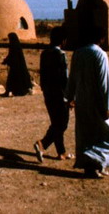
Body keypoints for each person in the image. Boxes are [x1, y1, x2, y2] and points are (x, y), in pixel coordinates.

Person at [66, 26, 109, 179]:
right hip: (98, 102)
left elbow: (72, 77)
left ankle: (94, 167)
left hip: (82, 101)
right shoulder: (100, 55)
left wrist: (70, 96)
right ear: (101, 39)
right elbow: (104, 83)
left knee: (89, 135)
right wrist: (106, 106)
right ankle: (91, 158)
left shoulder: (78, 53)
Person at [33, 27, 73, 163]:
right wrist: (69, 97)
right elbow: (64, 79)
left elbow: (43, 76)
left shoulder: (44, 54)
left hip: (49, 94)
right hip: (60, 96)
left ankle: (61, 152)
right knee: (62, 124)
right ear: (63, 40)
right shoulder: (60, 55)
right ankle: (42, 144)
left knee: (56, 123)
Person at [1, 32, 33, 96]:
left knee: (12, 80)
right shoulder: (16, 45)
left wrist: (7, 61)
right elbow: (11, 55)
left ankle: (9, 92)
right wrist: (7, 60)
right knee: (20, 79)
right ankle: (23, 90)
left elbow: (12, 56)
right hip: (18, 66)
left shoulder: (14, 46)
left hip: (16, 67)